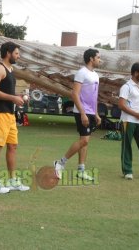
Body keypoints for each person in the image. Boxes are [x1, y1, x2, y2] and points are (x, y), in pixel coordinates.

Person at [0, 41, 30, 193]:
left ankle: (12, 181)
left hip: (9, 114)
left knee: (12, 146)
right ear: (8, 53)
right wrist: (13, 98)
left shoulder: (10, 70)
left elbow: (5, 92)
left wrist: (17, 97)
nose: (18, 56)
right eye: (17, 53)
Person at [54, 48, 101, 181]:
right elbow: (74, 94)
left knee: (85, 142)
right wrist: (83, 113)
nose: (99, 60)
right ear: (91, 58)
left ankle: (81, 170)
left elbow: (94, 96)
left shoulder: (96, 75)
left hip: (91, 112)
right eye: (98, 57)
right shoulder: (81, 73)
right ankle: (60, 162)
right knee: (84, 140)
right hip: (82, 112)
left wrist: (96, 114)